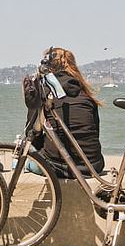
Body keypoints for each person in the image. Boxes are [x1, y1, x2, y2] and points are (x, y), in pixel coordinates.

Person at [24, 47, 104, 178]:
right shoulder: (86, 95)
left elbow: (32, 133)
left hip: (58, 165)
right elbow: (95, 131)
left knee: (28, 164)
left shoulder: (45, 91)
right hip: (93, 165)